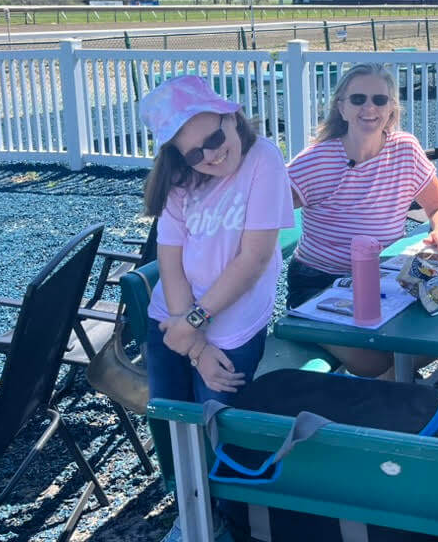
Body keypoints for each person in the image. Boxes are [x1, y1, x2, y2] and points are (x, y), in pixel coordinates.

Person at [139, 75, 295, 542]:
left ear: (231, 118)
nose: (210, 155)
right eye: (194, 152)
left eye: (214, 138)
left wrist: (195, 329)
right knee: (173, 421)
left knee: (218, 431)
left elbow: (254, 259)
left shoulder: (263, 159)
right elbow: (169, 258)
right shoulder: (180, 180)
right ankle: (189, 511)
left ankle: (227, 519)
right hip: (172, 321)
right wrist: (193, 343)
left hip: (230, 326)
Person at [285, 63, 438, 377]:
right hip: (321, 283)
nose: (369, 108)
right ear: (342, 108)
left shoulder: (405, 150)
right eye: (358, 99)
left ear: (391, 108)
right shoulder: (316, 160)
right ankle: (400, 401)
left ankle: (398, 393)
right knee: (376, 362)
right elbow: (262, 211)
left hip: (389, 276)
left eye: (379, 100)